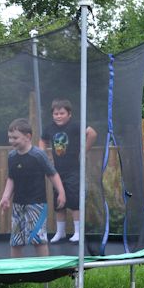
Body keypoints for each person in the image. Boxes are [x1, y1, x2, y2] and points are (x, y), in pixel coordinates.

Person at [0, 118, 65, 258]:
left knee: (38, 239)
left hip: (37, 204)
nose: (11, 141)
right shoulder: (12, 156)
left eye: (15, 137)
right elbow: (11, 179)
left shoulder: (38, 155)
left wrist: (61, 192)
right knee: (16, 241)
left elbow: (52, 174)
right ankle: (16, 272)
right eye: (10, 137)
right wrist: (5, 196)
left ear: (28, 137)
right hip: (18, 204)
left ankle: (44, 272)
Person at [39, 99, 97, 243]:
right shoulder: (50, 128)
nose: (58, 116)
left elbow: (92, 133)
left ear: (69, 114)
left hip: (74, 169)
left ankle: (77, 232)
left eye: (62, 113)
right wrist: (43, 155)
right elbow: (42, 140)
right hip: (57, 171)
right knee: (59, 201)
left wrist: (84, 151)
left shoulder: (75, 126)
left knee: (74, 199)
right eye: (55, 113)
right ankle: (60, 232)